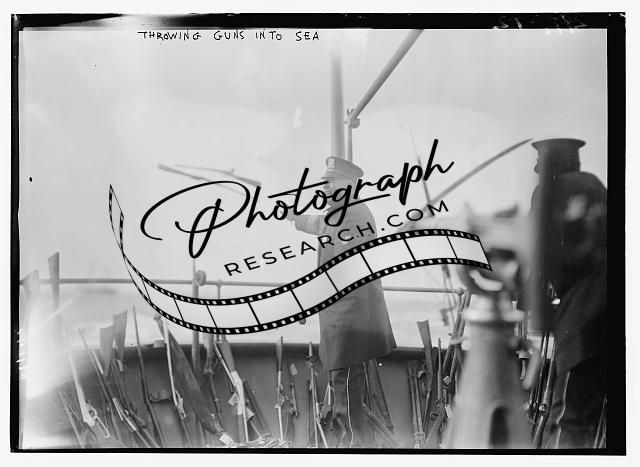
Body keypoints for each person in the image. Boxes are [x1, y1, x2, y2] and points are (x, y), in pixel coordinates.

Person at [287, 156, 397, 447]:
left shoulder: (353, 215)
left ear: (347, 184)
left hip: (350, 312)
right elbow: (317, 224)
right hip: (342, 313)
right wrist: (293, 216)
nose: (323, 187)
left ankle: (351, 447)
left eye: (329, 181)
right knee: (343, 380)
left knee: (345, 382)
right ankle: (350, 443)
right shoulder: (341, 211)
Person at [527, 138, 607, 449]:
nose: (536, 169)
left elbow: (536, 250)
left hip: (585, 320)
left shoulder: (550, 192)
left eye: (540, 161)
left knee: (568, 419)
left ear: (553, 162)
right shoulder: (596, 188)